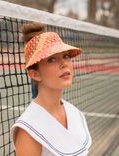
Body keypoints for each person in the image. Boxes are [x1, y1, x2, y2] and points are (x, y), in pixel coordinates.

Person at [11, 22, 92, 156]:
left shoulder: (74, 112)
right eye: (52, 59)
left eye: (66, 56)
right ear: (34, 74)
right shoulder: (28, 130)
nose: (64, 64)